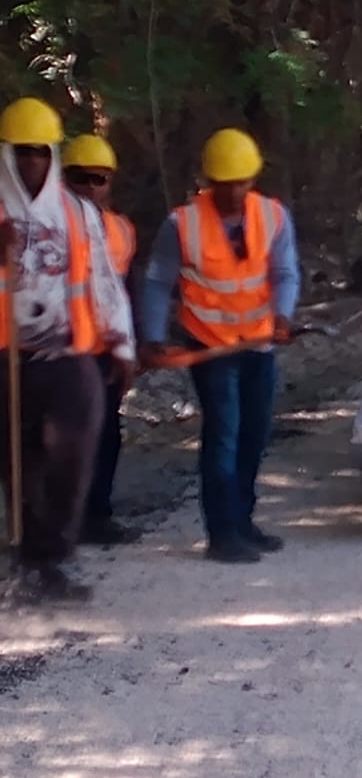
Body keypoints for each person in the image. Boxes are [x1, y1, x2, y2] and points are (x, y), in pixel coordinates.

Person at [138, 128, 301, 564]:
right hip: (210, 348)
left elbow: (285, 274)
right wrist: (152, 338)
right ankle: (222, 532)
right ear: (209, 180)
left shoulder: (273, 217)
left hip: (258, 345)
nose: (233, 191)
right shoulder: (183, 224)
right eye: (224, 183)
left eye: (242, 182)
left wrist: (283, 314)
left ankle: (243, 520)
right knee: (224, 434)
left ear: (253, 179)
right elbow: (157, 283)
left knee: (254, 434)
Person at [0, 97, 136, 603]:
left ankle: (55, 549)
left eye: (39, 151)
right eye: (20, 152)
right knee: (19, 463)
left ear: (53, 154)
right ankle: (32, 563)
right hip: (7, 358)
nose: (30, 162)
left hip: (68, 353)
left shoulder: (78, 212)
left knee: (73, 451)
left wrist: (121, 343)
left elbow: (103, 280)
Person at [61, 134, 142, 545]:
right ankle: (56, 524)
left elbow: (127, 292)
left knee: (107, 434)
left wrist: (131, 346)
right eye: (80, 178)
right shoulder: (48, 227)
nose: (90, 187)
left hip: (104, 353)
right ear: (64, 178)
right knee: (56, 440)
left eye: (99, 179)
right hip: (59, 351)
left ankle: (97, 516)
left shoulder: (122, 231)